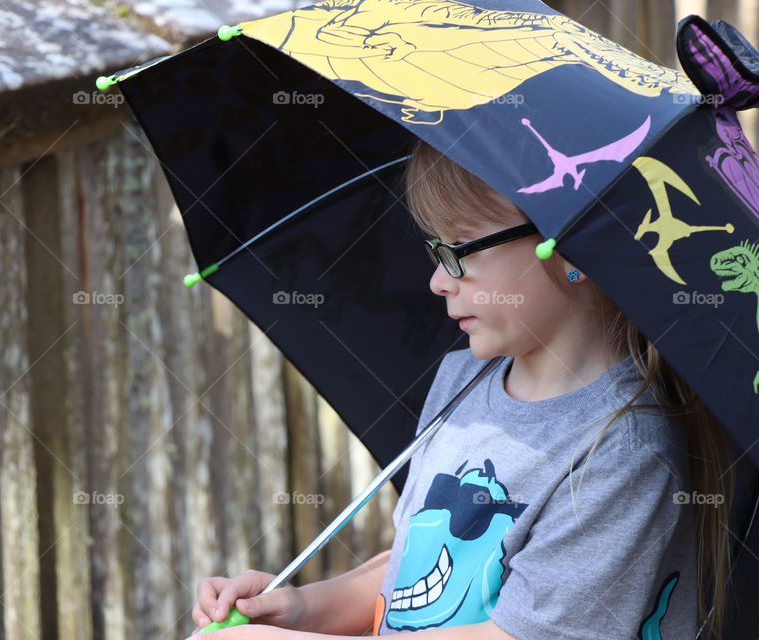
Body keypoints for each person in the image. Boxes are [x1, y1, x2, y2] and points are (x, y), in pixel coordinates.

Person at [188, 140, 735, 639]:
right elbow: (410, 573)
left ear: (570, 249)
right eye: (435, 252)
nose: (437, 280)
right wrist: (297, 611)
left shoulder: (621, 450)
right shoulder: (462, 380)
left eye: (459, 251)